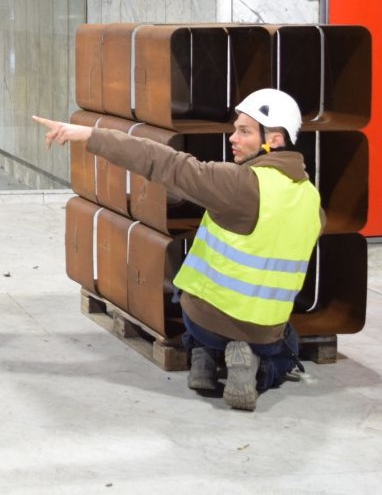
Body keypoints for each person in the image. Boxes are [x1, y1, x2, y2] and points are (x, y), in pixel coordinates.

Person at [33, 88, 323, 412]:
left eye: (244, 131)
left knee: (183, 281)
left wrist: (88, 134)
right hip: (264, 328)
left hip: (207, 320)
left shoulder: (239, 185)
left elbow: (163, 162)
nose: (233, 138)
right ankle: (251, 363)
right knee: (288, 346)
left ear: (276, 140)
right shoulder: (312, 202)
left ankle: (203, 355)